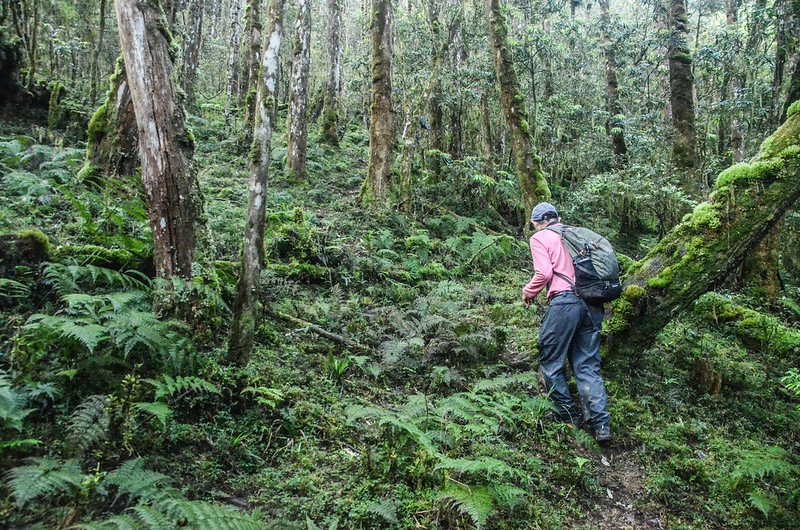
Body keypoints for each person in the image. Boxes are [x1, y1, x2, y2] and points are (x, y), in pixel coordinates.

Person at [522, 202, 611, 443]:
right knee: (587, 366)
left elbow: (544, 274)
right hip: (592, 304)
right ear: (558, 218)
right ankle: (601, 425)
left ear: (536, 223)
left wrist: (528, 292)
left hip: (565, 302)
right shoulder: (576, 235)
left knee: (550, 359)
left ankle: (569, 416)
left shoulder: (540, 238)